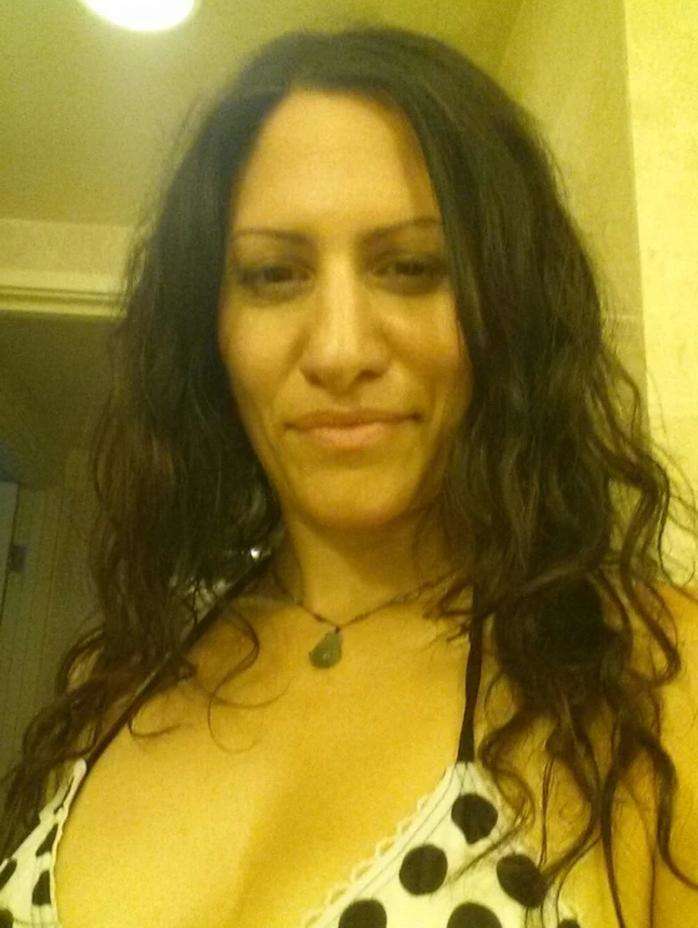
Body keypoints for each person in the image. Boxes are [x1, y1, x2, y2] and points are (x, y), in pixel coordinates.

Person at [1, 21, 697, 928]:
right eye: (273, 274)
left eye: (410, 268)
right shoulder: (116, 679)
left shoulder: (657, 680)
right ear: (211, 329)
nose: (338, 350)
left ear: (508, 307)